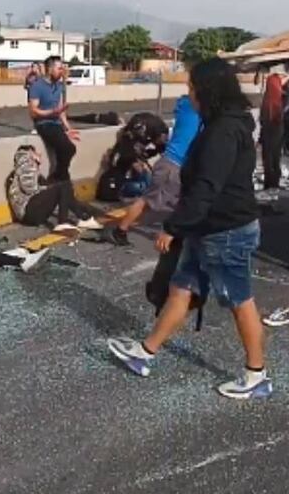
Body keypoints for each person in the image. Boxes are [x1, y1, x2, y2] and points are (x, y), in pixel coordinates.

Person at [107, 58, 268, 400]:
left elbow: (206, 188)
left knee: (239, 300)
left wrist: (174, 227)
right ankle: (145, 353)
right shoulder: (229, 122)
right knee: (181, 289)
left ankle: (257, 375)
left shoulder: (223, 131)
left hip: (226, 230)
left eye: (193, 87)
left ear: (207, 91)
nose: (189, 93)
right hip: (207, 230)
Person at [102, 97, 202, 246]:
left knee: (180, 201)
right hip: (174, 164)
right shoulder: (196, 108)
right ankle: (120, 231)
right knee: (148, 201)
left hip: (178, 164)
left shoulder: (186, 105)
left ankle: (176, 232)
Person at [7, 144, 104, 232]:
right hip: (27, 212)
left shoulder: (27, 168)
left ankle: (83, 217)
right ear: (30, 152)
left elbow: (41, 189)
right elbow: (29, 188)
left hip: (32, 213)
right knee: (63, 186)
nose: (39, 154)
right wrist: (33, 164)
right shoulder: (26, 164)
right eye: (35, 152)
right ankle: (64, 222)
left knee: (63, 187)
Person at [29, 56, 79, 182]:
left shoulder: (59, 86)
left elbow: (61, 111)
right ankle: (59, 176)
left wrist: (68, 128)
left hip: (56, 124)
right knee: (68, 148)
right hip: (44, 123)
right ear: (50, 69)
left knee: (68, 148)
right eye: (59, 69)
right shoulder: (37, 86)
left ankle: (59, 176)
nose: (62, 71)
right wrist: (52, 112)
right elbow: (33, 112)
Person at [258, 69, 285, 202]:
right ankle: (273, 188)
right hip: (276, 131)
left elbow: (263, 119)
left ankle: (270, 187)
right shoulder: (278, 100)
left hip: (271, 131)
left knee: (269, 160)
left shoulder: (269, 101)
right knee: (274, 159)